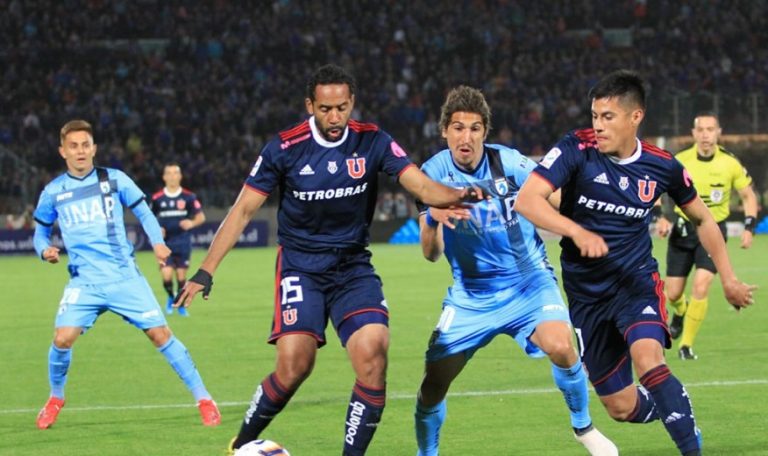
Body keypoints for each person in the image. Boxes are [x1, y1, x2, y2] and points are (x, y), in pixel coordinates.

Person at [174, 64, 483, 455]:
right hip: (300, 267)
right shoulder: (284, 148)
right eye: (325, 109)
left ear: (352, 102)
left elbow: (420, 185)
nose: (335, 117)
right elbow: (242, 211)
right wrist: (205, 271)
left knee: (374, 354)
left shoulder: (374, 141)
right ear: (310, 105)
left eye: (342, 108)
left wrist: (466, 194)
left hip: (352, 267)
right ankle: (243, 442)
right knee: (294, 367)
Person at [514, 70, 755, 456]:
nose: (598, 126)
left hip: (634, 283)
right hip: (586, 297)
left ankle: (690, 447)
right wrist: (576, 232)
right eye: (594, 116)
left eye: (607, 117)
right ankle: (673, 405)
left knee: (649, 360)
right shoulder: (576, 148)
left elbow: (704, 219)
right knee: (621, 408)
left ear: (635, 117)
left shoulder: (663, 167)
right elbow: (527, 200)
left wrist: (728, 277)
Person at [413, 86, 617, 456]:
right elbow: (430, 254)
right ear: (444, 131)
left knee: (560, 346)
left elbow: (555, 198)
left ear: (484, 133)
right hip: (472, 294)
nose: (466, 137)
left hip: (528, 281)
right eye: (458, 128)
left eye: (475, 128)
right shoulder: (431, 174)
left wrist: (583, 217)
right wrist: (432, 218)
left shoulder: (510, 163)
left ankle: (583, 427)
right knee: (433, 385)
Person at [32, 120, 221, 429]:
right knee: (62, 338)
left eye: (85, 145)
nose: (80, 151)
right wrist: (44, 250)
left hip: (124, 278)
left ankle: (204, 399)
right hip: (84, 282)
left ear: (94, 148)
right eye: (73, 146)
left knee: (160, 334)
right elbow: (40, 233)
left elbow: (144, 211)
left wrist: (158, 244)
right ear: (62, 151)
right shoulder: (53, 192)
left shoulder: (115, 179)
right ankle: (55, 398)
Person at [655, 113, 758, 360]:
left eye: (710, 130)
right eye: (700, 130)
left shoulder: (729, 163)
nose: (705, 135)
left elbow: (748, 196)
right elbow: (658, 189)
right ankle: (681, 311)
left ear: (718, 132)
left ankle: (686, 346)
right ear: (693, 134)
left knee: (701, 285)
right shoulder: (680, 160)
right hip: (682, 230)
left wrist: (749, 226)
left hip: (712, 232)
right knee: (673, 294)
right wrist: (662, 216)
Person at [151, 162, 206, 316]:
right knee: (167, 276)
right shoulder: (157, 198)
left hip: (183, 243)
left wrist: (192, 222)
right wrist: (157, 230)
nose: (172, 176)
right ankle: (170, 297)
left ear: (180, 176)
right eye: (169, 173)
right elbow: (149, 218)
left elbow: (201, 217)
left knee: (181, 277)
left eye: (175, 173)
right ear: (164, 177)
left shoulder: (189, 197)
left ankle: (180, 304)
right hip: (165, 244)